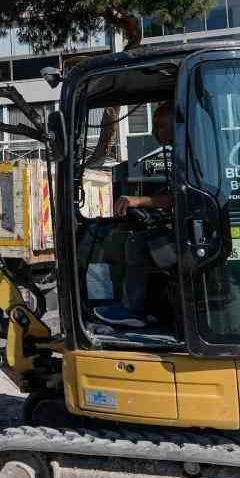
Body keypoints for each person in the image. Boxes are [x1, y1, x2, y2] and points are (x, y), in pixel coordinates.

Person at [95, 103, 176, 329]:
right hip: (188, 231)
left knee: (136, 243)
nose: (156, 132)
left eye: (161, 126)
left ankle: (133, 310)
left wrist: (136, 200)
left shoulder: (187, 154)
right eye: (155, 127)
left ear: (175, 124)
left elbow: (175, 199)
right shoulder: (180, 153)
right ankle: (148, 308)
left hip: (192, 239)